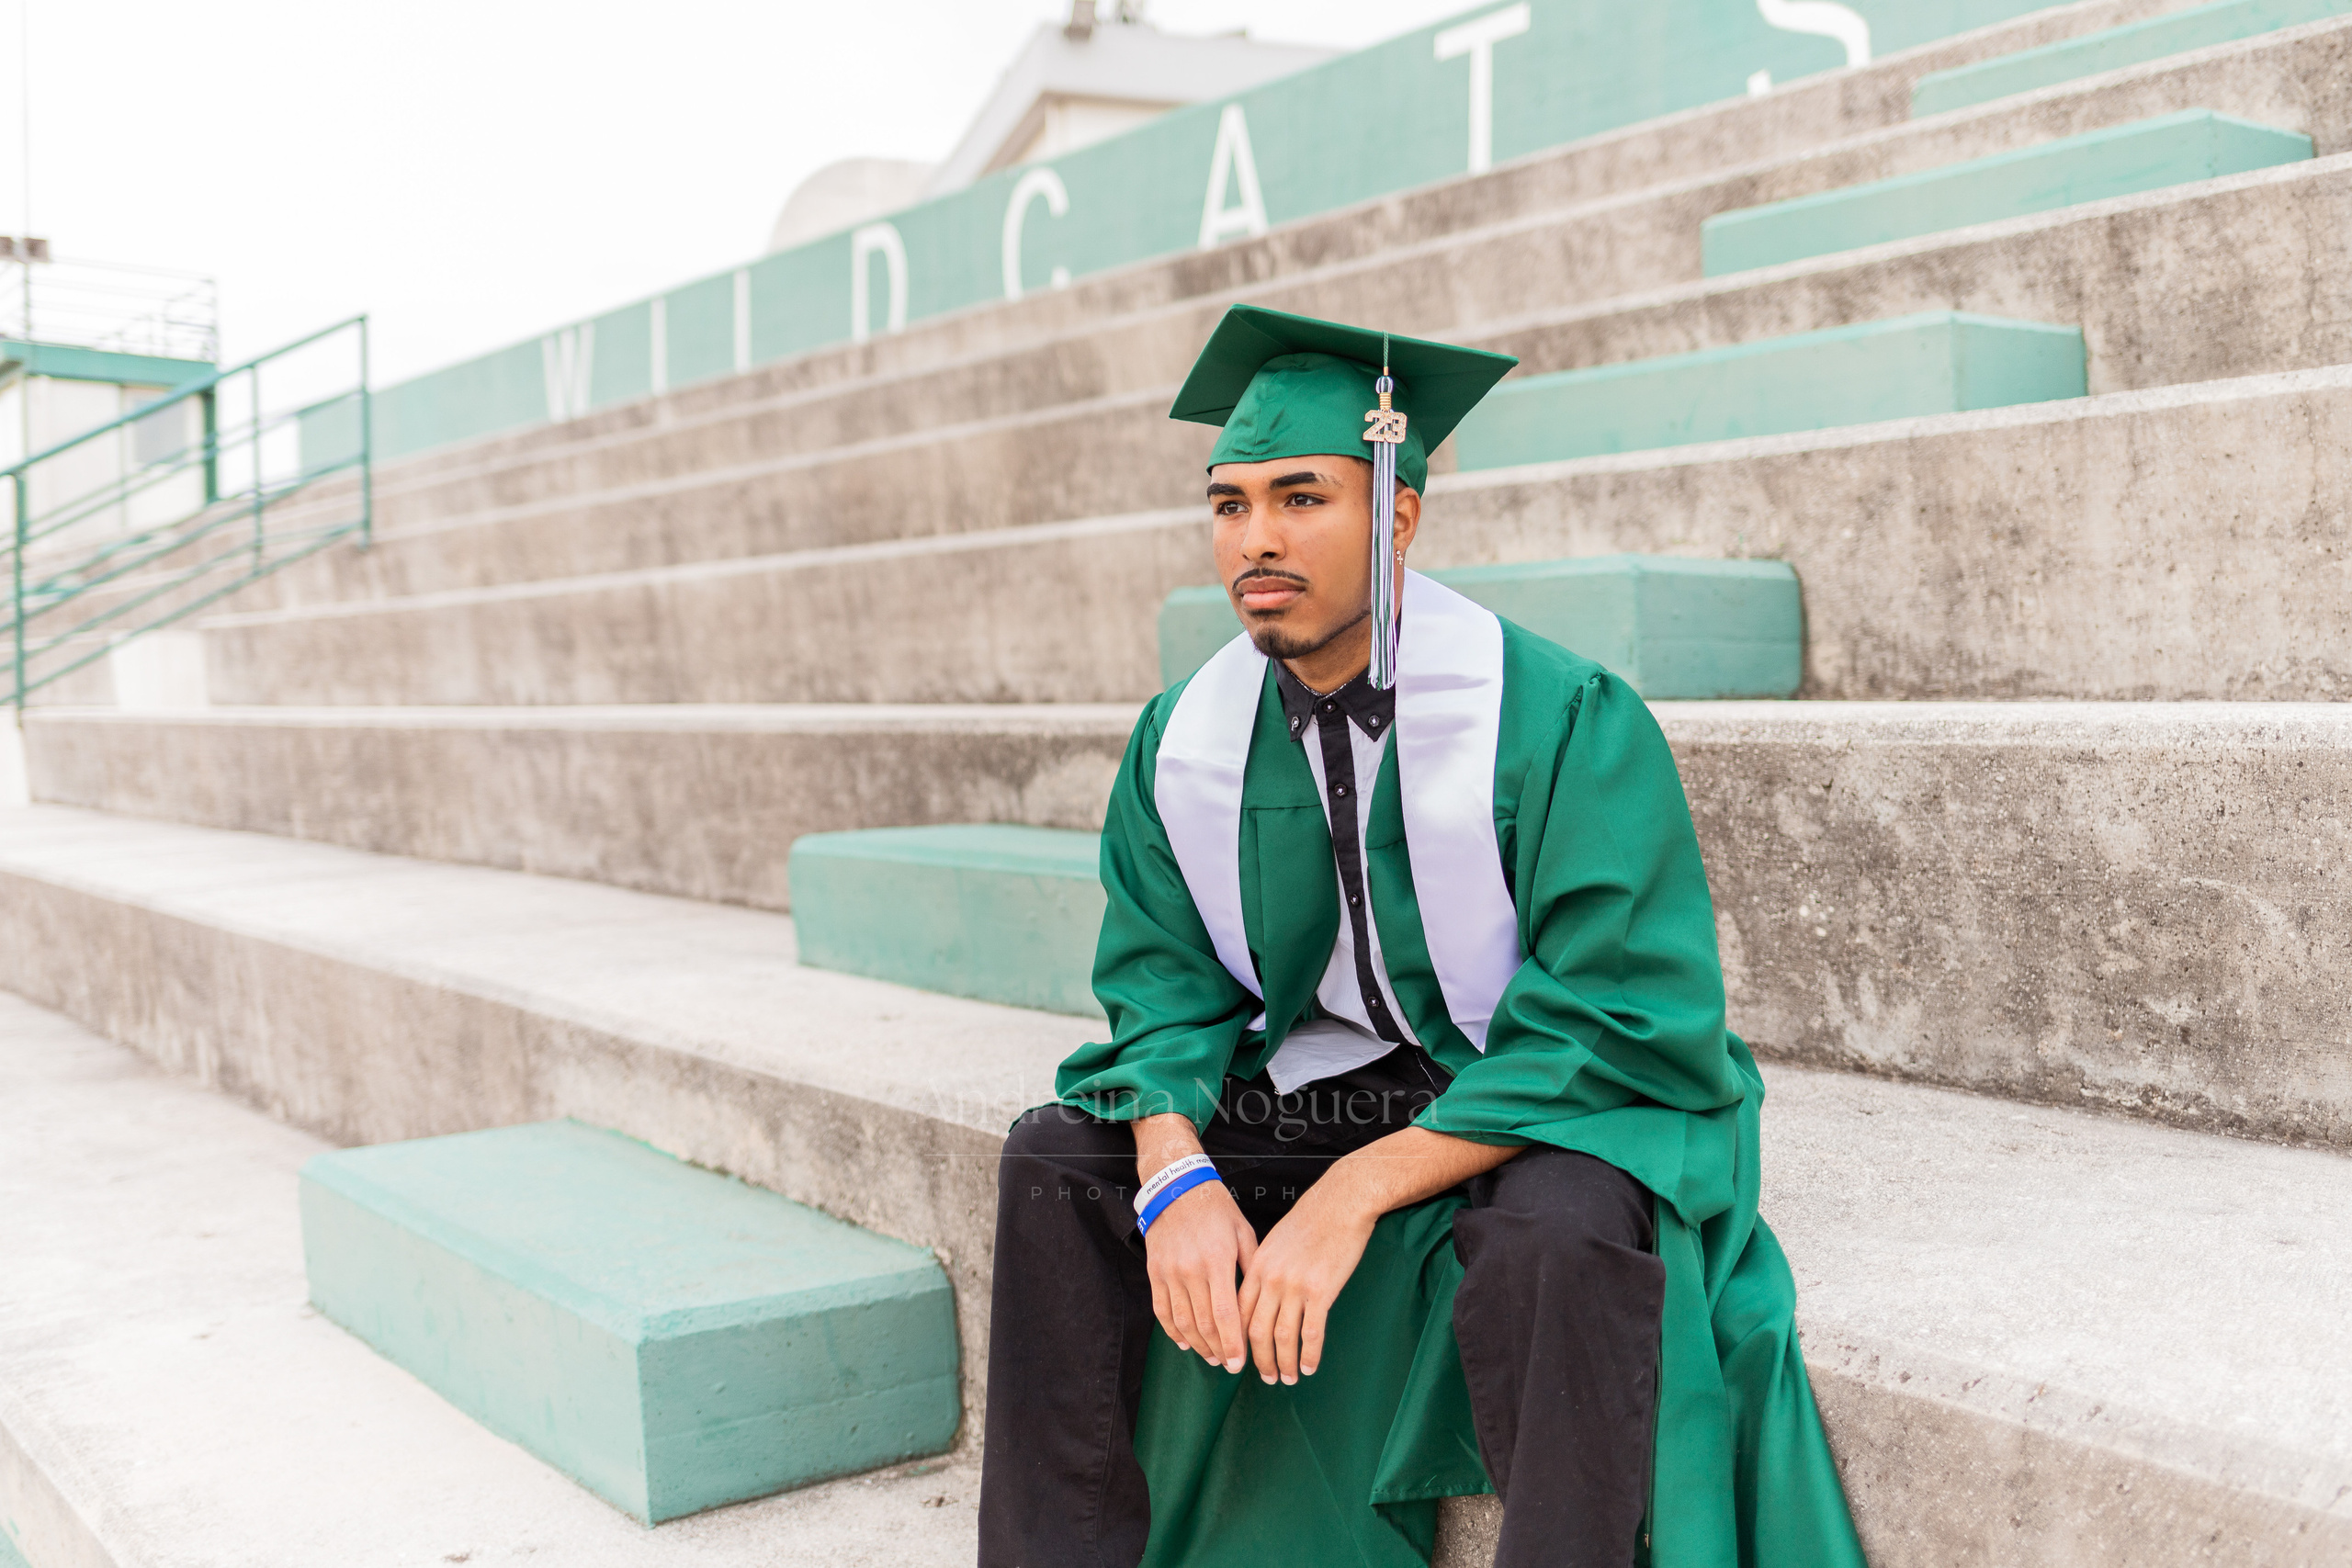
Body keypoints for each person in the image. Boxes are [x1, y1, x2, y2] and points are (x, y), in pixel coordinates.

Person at [977, 304, 1863, 1568]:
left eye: (1302, 497)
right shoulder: (1184, 738)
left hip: (1546, 1087)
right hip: (1343, 1079)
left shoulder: (1559, 718)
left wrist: (1350, 1194)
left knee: (1563, 1236)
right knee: (1059, 1167)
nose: (1258, 540)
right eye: (1229, 506)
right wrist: (1173, 1171)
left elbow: (1616, 1019)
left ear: (1396, 513)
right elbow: (1162, 984)